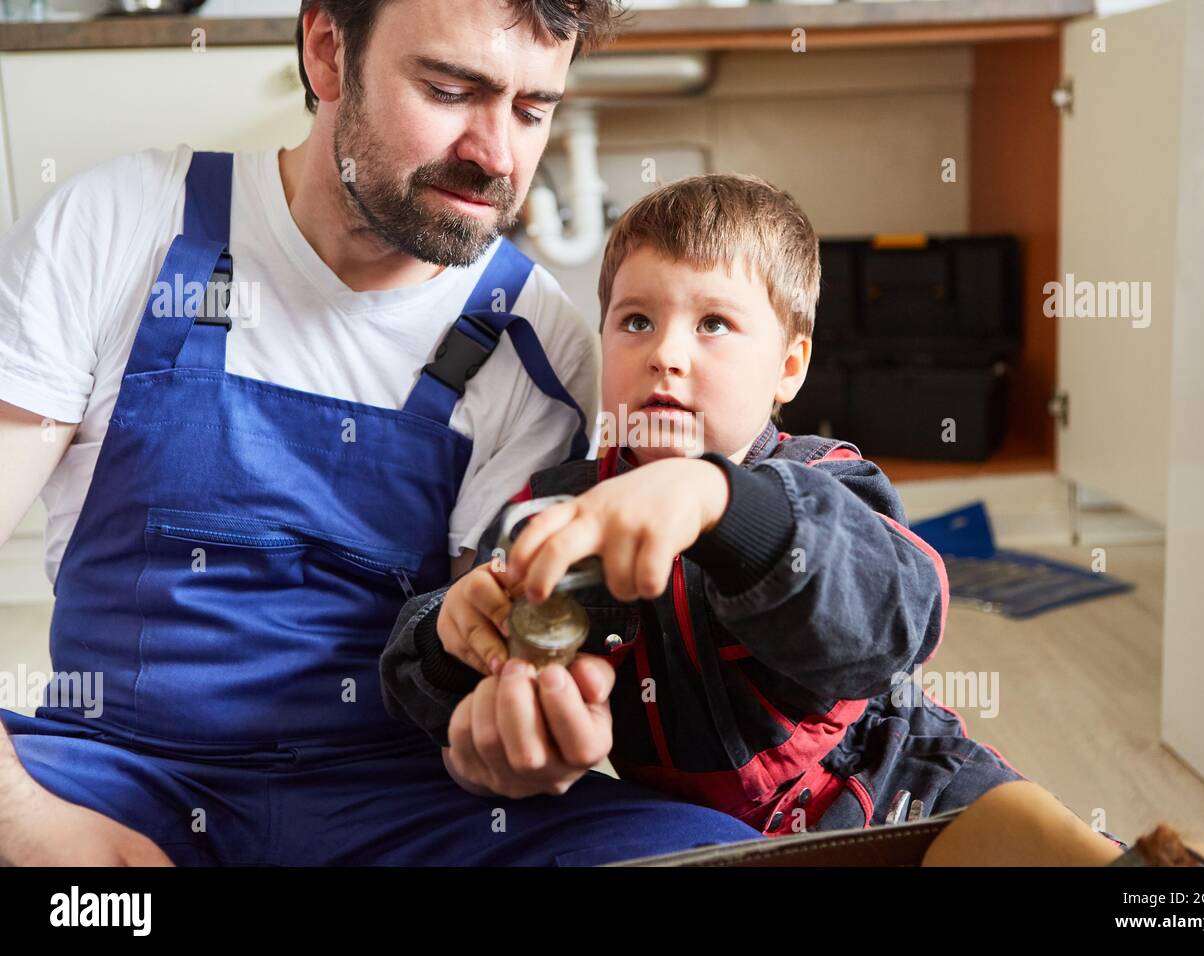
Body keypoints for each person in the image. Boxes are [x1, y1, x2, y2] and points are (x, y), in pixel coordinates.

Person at [0, 0, 762, 866]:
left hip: (398, 803)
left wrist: (510, 736)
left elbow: (485, 652)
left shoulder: (533, 336)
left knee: (717, 858)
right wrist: (33, 831)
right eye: (448, 89)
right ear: (327, 51)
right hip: (112, 777)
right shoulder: (119, 225)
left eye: (531, 109)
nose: (496, 155)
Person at [380, 173, 1028, 834]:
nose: (665, 354)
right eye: (636, 321)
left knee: (1045, 845)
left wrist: (720, 501)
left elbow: (902, 618)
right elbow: (420, 686)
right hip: (688, 830)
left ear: (789, 368)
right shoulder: (561, 509)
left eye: (714, 323)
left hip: (897, 784)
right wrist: (450, 634)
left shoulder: (824, 479)